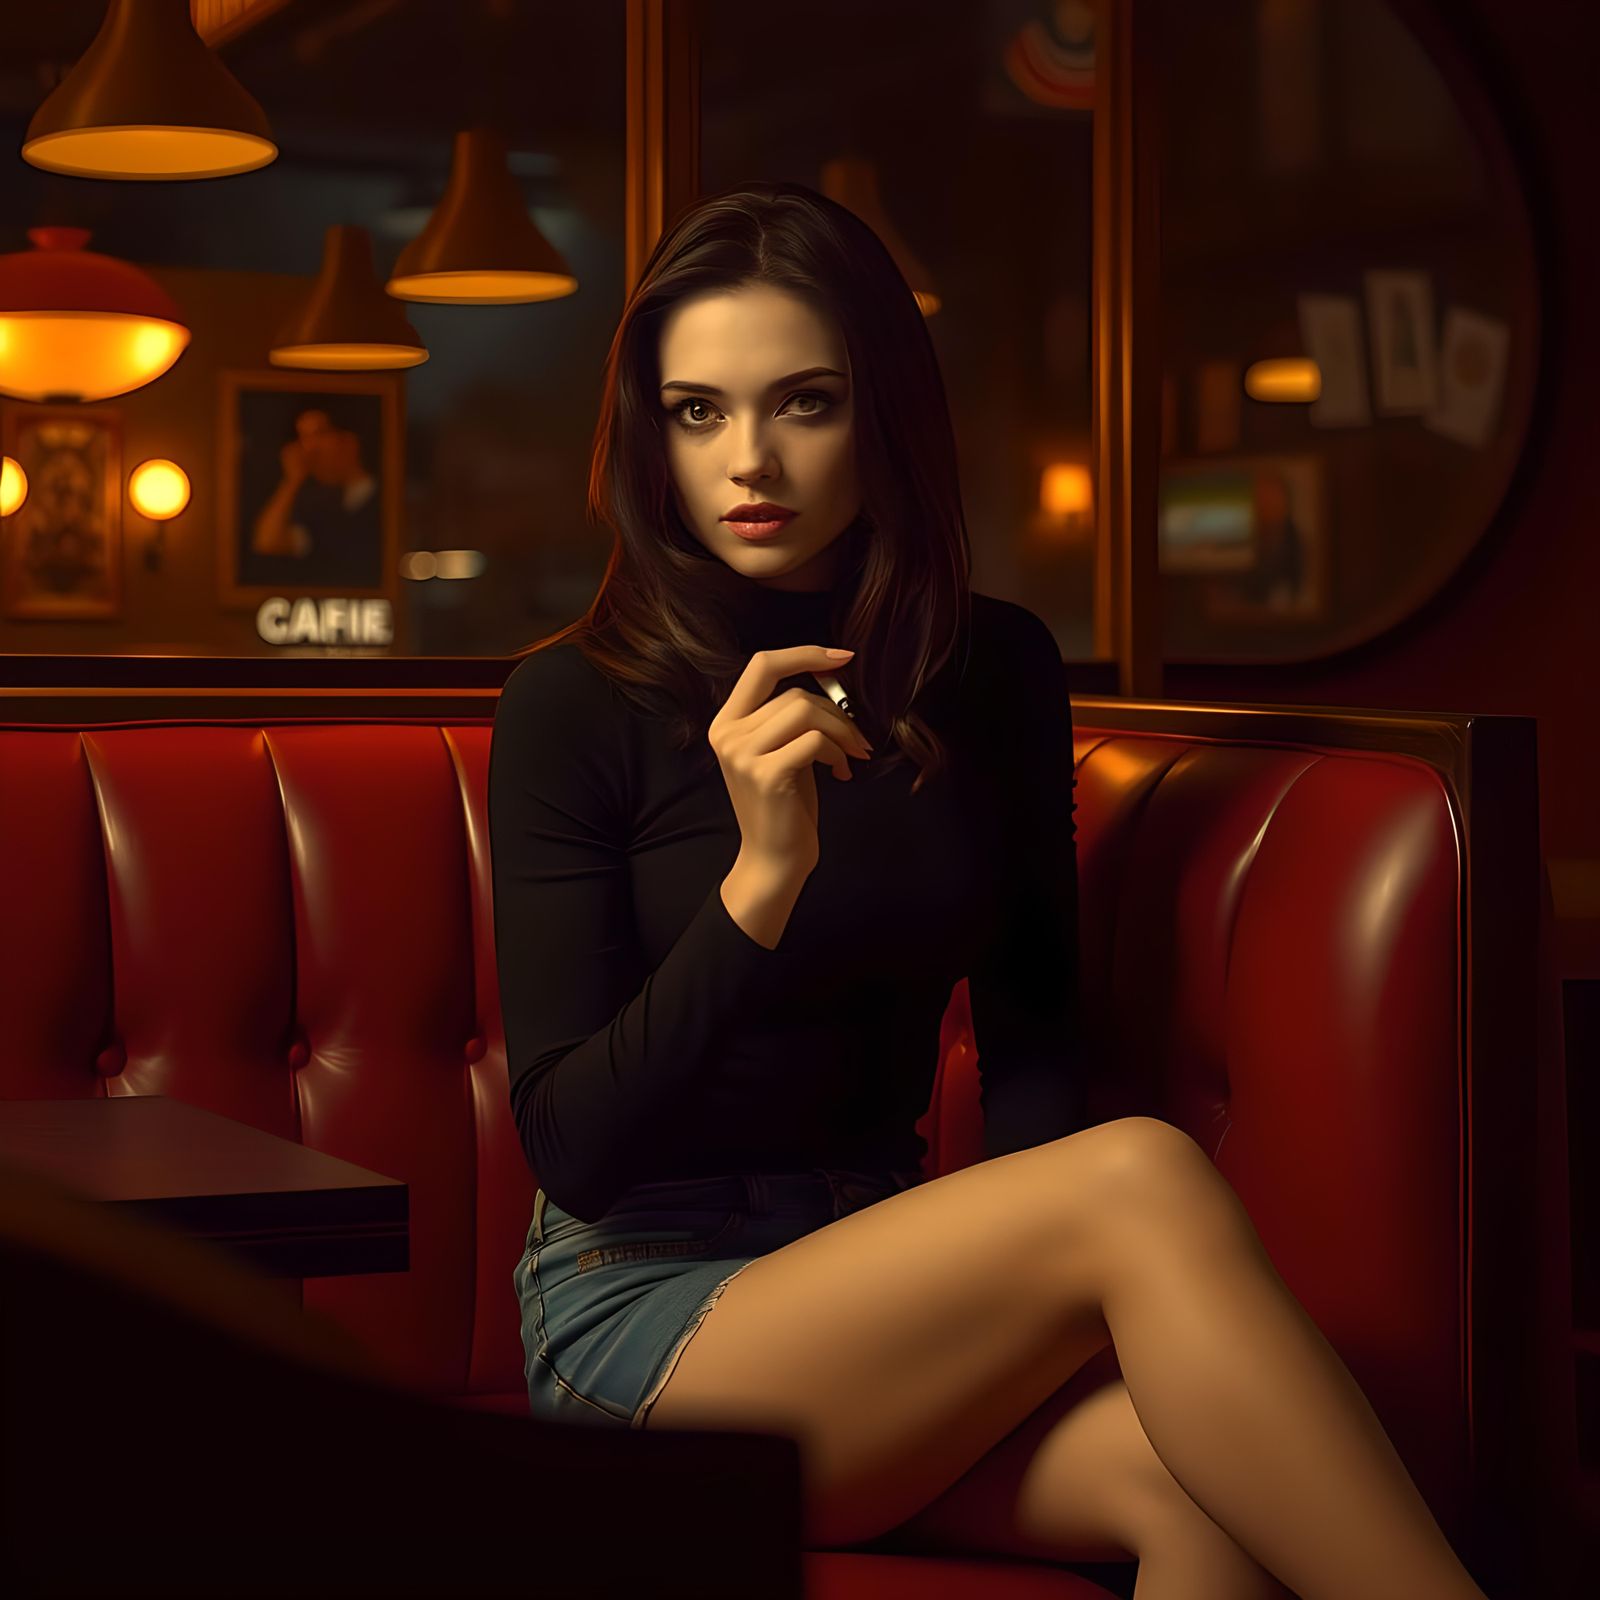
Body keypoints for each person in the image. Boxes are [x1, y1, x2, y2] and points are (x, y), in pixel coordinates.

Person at [486, 181, 1491, 1600]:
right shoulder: (569, 705)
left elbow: (1032, 1050)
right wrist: (763, 878)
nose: (748, 458)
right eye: (696, 410)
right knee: (1137, 1179)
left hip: (885, 1300)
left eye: (806, 403)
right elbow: (575, 1152)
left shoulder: (991, 667)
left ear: (882, 414)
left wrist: (1049, 1316)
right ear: (648, 432)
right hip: (641, 1324)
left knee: (1211, 1497)